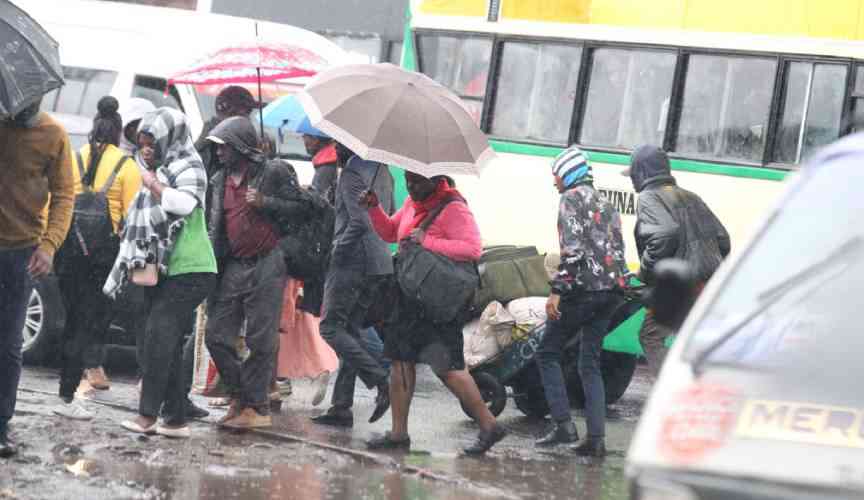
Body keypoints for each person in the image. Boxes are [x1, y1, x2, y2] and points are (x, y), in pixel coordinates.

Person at [361, 171, 508, 455]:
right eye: (408, 181)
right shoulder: (412, 204)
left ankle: (490, 425)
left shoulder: (454, 207)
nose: (411, 187)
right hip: (409, 299)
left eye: (417, 182)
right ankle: (398, 434)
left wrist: (428, 240)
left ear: (436, 180)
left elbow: (472, 248)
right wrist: (373, 208)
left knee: (448, 369)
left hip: (437, 303)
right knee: (400, 361)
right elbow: (392, 232)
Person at [111, 107, 217, 439]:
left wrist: (153, 184)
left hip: (192, 269)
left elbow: (183, 204)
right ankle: (175, 419)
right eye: (141, 143)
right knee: (161, 341)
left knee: (158, 336)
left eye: (151, 143)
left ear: (169, 139)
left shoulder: (189, 165)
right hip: (166, 269)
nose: (146, 150)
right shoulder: (164, 168)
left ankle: (147, 417)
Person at [205, 116, 307, 429]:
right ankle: (241, 395)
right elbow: (215, 228)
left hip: (268, 262)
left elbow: (303, 209)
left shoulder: (273, 171)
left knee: (261, 340)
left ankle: (257, 408)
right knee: (216, 336)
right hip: (234, 264)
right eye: (216, 147)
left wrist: (267, 202)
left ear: (241, 147)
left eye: (224, 146)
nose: (219, 152)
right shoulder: (218, 180)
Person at [535, 146, 628, 457]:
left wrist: (556, 292)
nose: (554, 182)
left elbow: (572, 253)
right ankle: (596, 439)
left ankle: (563, 425)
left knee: (547, 353)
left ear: (569, 174)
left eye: (556, 175)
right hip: (612, 292)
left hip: (585, 291)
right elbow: (616, 251)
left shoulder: (570, 200)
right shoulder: (607, 203)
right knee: (589, 362)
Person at [51, 97, 140, 418]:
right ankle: (85, 370)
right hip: (104, 256)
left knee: (73, 315)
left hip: (69, 252)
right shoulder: (126, 166)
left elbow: (55, 202)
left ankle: (68, 383)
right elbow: (132, 216)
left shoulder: (74, 158)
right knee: (95, 315)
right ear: (118, 131)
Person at [0, 99, 75, 457]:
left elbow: (64, 195)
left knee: (8, 342)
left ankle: (0, 424)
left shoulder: (53, 135)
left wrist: (49, 246)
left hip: (21, 252)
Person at [627, 145, 730, 378]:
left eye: (632, 174)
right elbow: (723, 240)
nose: (631, 181)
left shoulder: (648, 197)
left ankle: (670, 390)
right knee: (691, 336)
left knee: (651, 336)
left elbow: (664, 234)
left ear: (641, 172)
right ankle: (698, 386)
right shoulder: (691, 197)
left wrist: (645, 275)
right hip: (707, 281)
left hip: (681, 284)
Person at [312, 144, 392, 428]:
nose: (335, 150)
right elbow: (385, 217)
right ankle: (341, 406)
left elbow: (360, 223)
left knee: (331, 328)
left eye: (338, 144)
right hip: (378, 262)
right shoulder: (384, 172)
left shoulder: (351, 174)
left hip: (352, 261)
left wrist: (336, 249)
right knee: (349, 331)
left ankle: (382, 380)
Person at [276, 279, 338, 406]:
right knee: (311, 335)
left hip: (293, 290)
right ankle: (321, 368)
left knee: (285, 342)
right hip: (311, 292)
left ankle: (280, 386)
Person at [195, 86, 259, 178]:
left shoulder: (240, 136)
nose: (249, 119)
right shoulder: (210, 143)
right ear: (231, 113)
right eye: (245, 113)